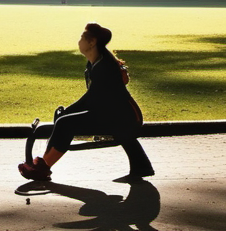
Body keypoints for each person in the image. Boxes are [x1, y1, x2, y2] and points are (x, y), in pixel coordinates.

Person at [18, 23, 154, 182]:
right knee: (65, 121)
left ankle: (43, 168)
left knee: (65, 123)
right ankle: (141, 167)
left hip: (122, 118)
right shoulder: (95, 64)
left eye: (82, 38)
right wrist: (69, 112)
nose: (79, 41)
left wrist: (68, 112)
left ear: (92, 42)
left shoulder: (103, 66)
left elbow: (92, 98)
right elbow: (94, 99)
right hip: (115, 114)